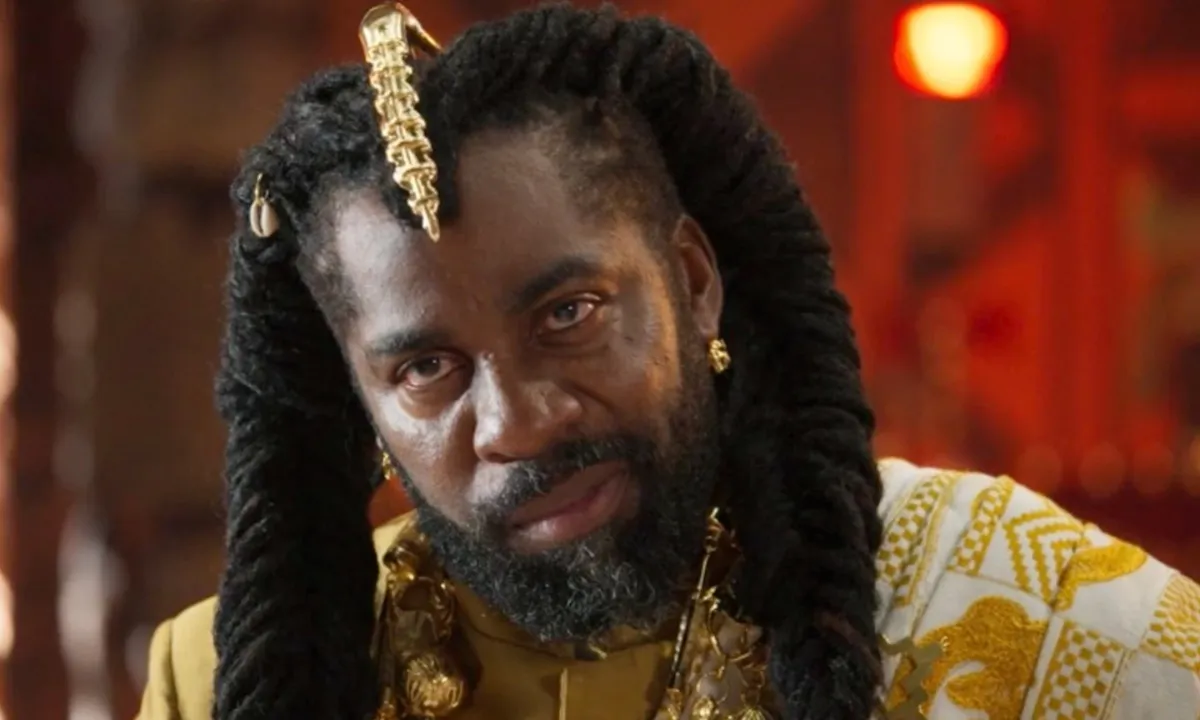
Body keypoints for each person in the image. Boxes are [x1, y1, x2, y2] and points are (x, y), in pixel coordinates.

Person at [136, 4, 1200, 720]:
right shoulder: (216, 679)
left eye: (569, 313)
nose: (519, 422)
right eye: (427, 371)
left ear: (693, 282)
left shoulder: (1010, 593)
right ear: (357, 398)